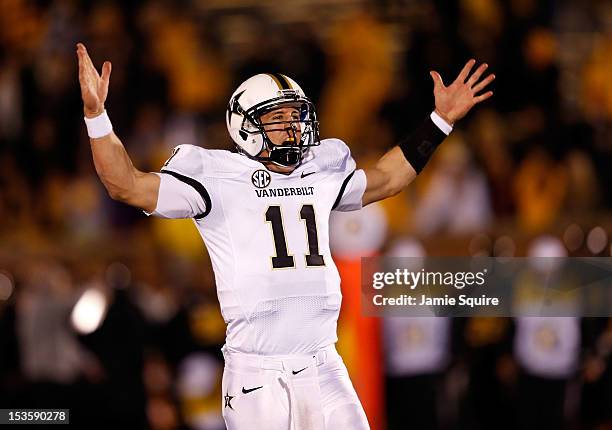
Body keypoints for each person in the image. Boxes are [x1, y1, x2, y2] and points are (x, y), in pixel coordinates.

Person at [76, 42, 494, 430]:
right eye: (277, 118)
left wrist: (439, 122)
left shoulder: (322, 165)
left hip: (323, 362)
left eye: (295, 116)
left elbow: (387, 178)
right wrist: (97, 117)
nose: (293, 127)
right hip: (258, 372)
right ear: (245, 127)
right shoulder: (216, 175)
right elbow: (125, 184)